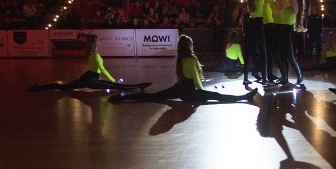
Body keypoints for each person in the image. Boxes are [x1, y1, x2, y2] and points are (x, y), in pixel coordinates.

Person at [110, 35, 257, 104]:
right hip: (189, 93)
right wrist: (202, 91)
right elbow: (197, 81)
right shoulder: (191, 60)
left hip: (179, 88)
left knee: (153, 96)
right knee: (216, 95)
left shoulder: (180, 59)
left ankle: (122, 98)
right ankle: (243, 98)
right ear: (189, 46)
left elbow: (185, 78)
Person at [27, 33, 150, 92]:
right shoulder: (95, 55)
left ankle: (38, 88)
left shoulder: (90, 53)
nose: (100, 43)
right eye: (98, 42)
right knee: (115, 86)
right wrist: (112, 79)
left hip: (87, 77)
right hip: (92, 79)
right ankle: (140, 86)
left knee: (64, 87)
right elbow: (102, 70)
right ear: (95, 44)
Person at [272, 0, 305, 86]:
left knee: (290, 56)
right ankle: (284, 77)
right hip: (278, 32)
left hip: (287, 32)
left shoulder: (293, 7)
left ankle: (299, 76)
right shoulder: (282, 6)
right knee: (279, 55)